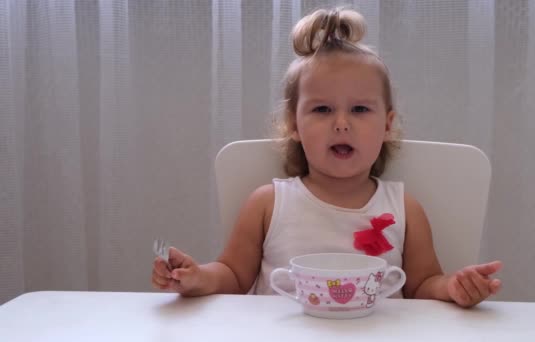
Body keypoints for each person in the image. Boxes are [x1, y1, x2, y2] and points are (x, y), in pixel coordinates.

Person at [151, 7, 502, 308]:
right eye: (321, 109)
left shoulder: (404, 209)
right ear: (293, 125)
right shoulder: (268, 203)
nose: (341, 124)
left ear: (387, 125)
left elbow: (423, 284)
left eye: (360, 109)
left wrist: (452, 287)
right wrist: (197, 278)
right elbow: (232, 275)